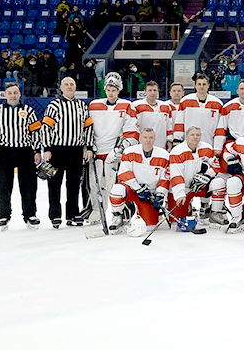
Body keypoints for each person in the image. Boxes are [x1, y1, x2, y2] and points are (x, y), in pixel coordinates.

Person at [0, 83, 44, 230]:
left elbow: (36, 132)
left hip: (25, 151)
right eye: (10, 93)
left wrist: (37, 150)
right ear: (5, 95)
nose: (13, 95)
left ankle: (30, 214)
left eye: (15, 93)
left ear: (19, 94)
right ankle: (3, 215)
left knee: (29, 186)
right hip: (4, 152)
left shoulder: (28, 111)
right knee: (3, 186)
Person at [40, 78, 94, 228]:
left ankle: (73, 213)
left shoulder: (82, 106)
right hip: (57, 150)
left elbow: (88, 128)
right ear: (61, 88)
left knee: (74, 184)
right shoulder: (54, 105)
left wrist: (89, 147)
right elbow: (45, 128)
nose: (69, 87)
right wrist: (47, 149)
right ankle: (55, 215)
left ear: (75, 87)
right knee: (54, 184)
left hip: (76, 150)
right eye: (66, 85)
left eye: (72, 84)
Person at [87, 73, 140, 224]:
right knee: (94, 185)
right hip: (97, 153)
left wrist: (121, 149)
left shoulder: (126, 105)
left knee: (115, 187)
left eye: (114, 89)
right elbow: (87, 128)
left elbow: (132, 131)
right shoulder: (94, 105)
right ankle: (97, 211)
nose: (111, 92)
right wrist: (90, 146)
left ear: (119, 90)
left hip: (115, 154)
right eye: (108, 89)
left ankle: (121, 213)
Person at [103, 128, 170, 236]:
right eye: (145, 137)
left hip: (149, 194)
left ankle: (139, 210)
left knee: (149, 226)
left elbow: (165, 177)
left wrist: (160, 194)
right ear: (140, 139)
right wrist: (139, 188)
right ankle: (118, 215)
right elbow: (123, 174)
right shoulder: (130, 152)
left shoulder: (164, 155)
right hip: (133, 189)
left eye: (151, 138)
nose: (148, 140)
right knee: (117, 190)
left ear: (155, 139)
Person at [166, 125, 226, 228]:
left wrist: (206, 175)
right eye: (192, 135)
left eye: (198, 135)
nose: (195, 137)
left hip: (200, 187)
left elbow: (216, 165)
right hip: (183, 189)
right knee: (176, 224)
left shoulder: (206, 147)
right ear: (186, 137)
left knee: (219, 182)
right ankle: (184, 207)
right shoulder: (177, 151)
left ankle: (215, 213)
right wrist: (180, 194)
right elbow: (176, 175)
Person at [174, 74, 224, 151]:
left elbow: (220, 127)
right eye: (199, 84)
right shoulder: (185, 101)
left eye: (204, 84)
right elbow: (179, 122)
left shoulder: (217, 103)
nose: (201, 87)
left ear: (208, 86)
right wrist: (177, 140)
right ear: (195, 86)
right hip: (188, 145)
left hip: (209, 144)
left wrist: (218, 146)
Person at [131, 81, 175, 150]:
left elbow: (169, 127)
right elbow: (134, 127)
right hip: (142, 147)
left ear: (158, 92)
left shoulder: (166, 106)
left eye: (155, 90)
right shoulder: (136, 106)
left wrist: (169, 142)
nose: (152, 93)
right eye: (150, 90)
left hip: (161, 147)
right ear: (145, 92)